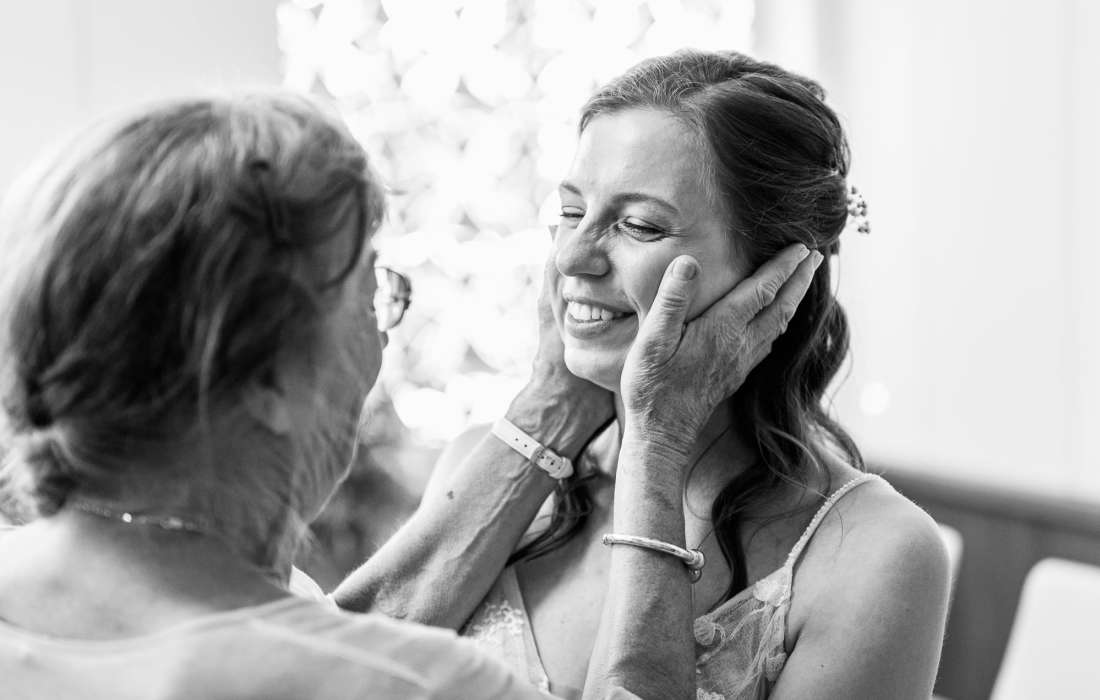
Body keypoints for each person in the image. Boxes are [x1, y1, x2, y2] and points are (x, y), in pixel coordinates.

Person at [0, 90, 815, 699]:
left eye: (637, 225)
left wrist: (556, 406)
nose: (384, 335)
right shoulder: (418, 688)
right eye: (369, 293)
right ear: (267, 376)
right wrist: (660, 437)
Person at [336, 50, 950, 699]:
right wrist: (547, 408)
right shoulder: (476, 463)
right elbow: (324, 675)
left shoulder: (877, 552)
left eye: (639, 225)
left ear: (776, 276)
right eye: (571, 211)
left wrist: (659, 441)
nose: (573, 256)